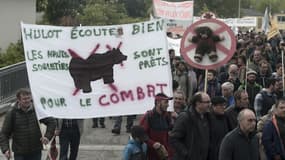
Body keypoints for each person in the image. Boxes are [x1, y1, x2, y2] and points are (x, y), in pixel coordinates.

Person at [0, 88, 56, 160]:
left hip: (36, 151)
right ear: (18, 100)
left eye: (28, 98)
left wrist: (47, 137)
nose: (27, 101)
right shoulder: (12, 113)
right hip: (19, 152)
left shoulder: (37, 111)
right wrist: (5, 149)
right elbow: (4, 133)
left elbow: (51, 121)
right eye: (24, 99)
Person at [170, 92, 211, 160]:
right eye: (207, 102)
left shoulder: (207, 117)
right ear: (198, 103)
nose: (210, 104)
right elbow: (174, 139)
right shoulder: (185, 117)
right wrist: (187, 154)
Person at [140, 93, 174, 160]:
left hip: (165, 154)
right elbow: (141, 134)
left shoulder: (167, 116)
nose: (168, 105)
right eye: (166, 102)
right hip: (151, 155)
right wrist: (153, 143)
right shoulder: (149, 116)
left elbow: (169, 132)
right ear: (158, 103)